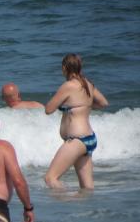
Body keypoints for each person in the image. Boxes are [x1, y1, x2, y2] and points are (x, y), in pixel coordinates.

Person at [44, 54, 109, 189]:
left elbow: (49, 109)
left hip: (77, 140)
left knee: (50, 178)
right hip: (89, 139)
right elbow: (103, 103)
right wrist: (86, 106)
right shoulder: (87, 83)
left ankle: (66, 205)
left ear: (64, 68)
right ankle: (88, 210)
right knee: (87, 188)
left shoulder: (68, 86)